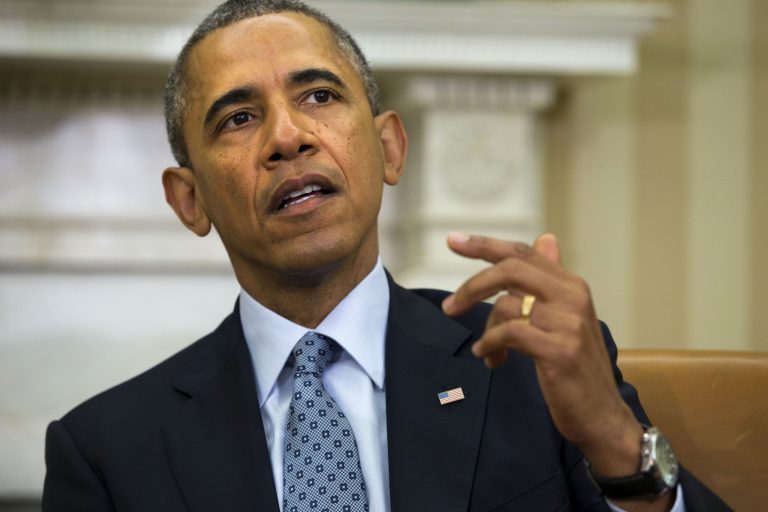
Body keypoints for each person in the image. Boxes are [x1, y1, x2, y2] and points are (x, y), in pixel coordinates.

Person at [42, 1, 730, 511]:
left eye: (318, 95)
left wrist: (614, 439)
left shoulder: (527, 370)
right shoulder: (107, 451)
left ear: (390, 149)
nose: (288, 137)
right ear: (189, 200)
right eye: (239, 118)